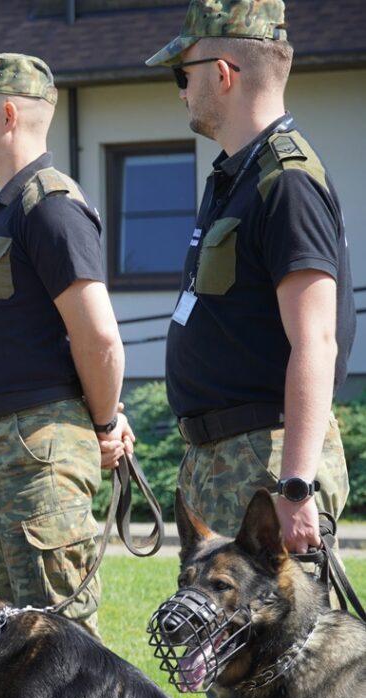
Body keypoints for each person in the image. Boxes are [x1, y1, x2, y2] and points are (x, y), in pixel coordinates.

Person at [0, 53, 131, 637]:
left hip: (39, 446)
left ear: (9, 114)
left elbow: (99, 336)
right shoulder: (5, 206)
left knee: (60, 641)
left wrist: (103, 423)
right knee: (14, 641)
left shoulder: (49, 205)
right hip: (2, 446)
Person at [147, 0, 353, 551]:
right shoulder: (239, 177)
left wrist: (296, 485)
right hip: (225, 459)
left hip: (266, 461)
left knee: (281, 615)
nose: (182, 91)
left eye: (183, 75)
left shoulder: (286, 182)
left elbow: (316, 339)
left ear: (223, 73)